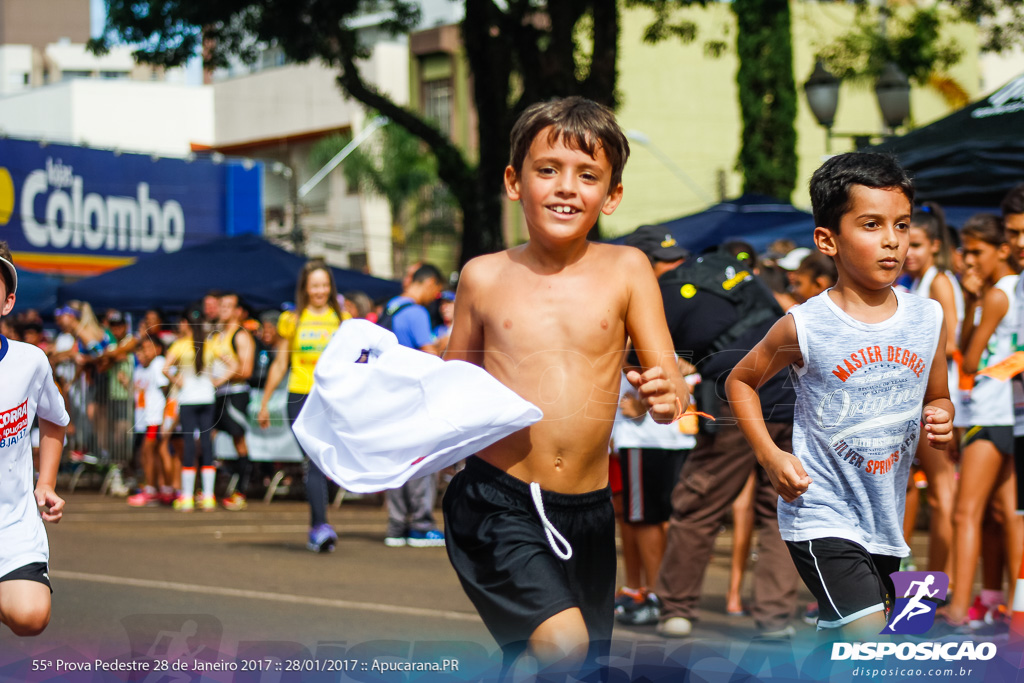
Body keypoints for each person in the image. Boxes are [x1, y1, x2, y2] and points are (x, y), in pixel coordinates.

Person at [442, 96, 686, 674]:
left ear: (613, 194)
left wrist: (663, 395)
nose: (565, 187)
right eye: (547, 169)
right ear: (514, 181)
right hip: (498, 500)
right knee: (562, 645)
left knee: (571, 664)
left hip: (589, 512)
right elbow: (451, 389)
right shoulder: (482, 276)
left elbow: (672, 388)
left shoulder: (628, 269)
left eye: (588, 175)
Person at [726, 152, 953, 641]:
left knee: (849, 643)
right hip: (820, 511)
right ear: (828, 239)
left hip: (886, 516)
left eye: (902, 224)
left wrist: (941, 414)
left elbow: (939, 395)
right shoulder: (805, 325)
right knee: (868, 636)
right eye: (871, 224)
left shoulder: (928, 318)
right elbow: (739, 382)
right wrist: (770, 455)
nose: (892, 239)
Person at [651, 244, 799, 639]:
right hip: (792, 395)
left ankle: (676, 609)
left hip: (737, 401)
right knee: (782, 511)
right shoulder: (729, 268)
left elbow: (643, 357)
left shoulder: (664, 291)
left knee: (698, 506)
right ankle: (775, 617)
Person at [943, 213, 1021, 631]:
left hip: (990, 414)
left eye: (977, 251)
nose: (968, 260)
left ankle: (956, 608)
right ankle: (1010, 604)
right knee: (1007, 513)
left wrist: (972, 304)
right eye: (965, 251)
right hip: (1008, 414)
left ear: (1001, 250)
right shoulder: (1014, 290)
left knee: (964, 513)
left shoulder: (996, 295)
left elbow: (970, 359)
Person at [0, 241, 69, 636]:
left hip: (12, 522)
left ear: (7, 302)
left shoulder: (30, 362)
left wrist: (45, 483)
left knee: (30, 617)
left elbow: (54, 421)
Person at [258, 260, 345, 552]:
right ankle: (320, 526)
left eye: (324, 285)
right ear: (305, 289)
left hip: (331, 399)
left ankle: (317, 526)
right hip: (299, 396)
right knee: (315, 461)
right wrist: (265, 401)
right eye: (314, 285)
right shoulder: (292, 320)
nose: (320, 291)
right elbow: (281, 363)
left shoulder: (342, 319)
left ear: (330, 287)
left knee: (328, 464)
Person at [901, 202, 961, 577]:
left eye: (918, 245)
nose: (909, 252)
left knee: (943, 496)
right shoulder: (917, 281)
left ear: (935, 246)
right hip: (922, 397)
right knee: (926, 492)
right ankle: (923, 579)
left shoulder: (938, 280)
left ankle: (941, 585)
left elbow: (950, 340)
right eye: (908, 243)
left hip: (938, 399)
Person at [379, 263, 447, 548]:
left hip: (389, 395)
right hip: (412, 398)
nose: (436, 296)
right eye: (437, 289)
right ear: (428, 282)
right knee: (422, 460)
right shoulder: (417, 313)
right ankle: (421, 524)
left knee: (397, 461)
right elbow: (428, 354)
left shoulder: (390, 308)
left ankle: (396, 525)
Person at [206, 292, 255, 511]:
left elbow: (246, 370)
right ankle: (208, 488)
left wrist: (226, 374)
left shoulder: (241, 336)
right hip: (216, 394)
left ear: (238, 311)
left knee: (239, 440)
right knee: (207, 438)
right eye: (221, 306)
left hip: (235, 394)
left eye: (228, 306)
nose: (223, 310)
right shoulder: (215, 337)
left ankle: (241, 491)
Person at [164, 307, 216, 512]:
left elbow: (165, 368)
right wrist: (214, 382)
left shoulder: (180, 345)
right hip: (207, 397)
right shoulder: (210, 344)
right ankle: (209, 495)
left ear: (185, 324)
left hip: (188, 398)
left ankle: (187, 496)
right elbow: (233, 363)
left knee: (188, 443)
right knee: (206, 443)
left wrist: (179, 382)